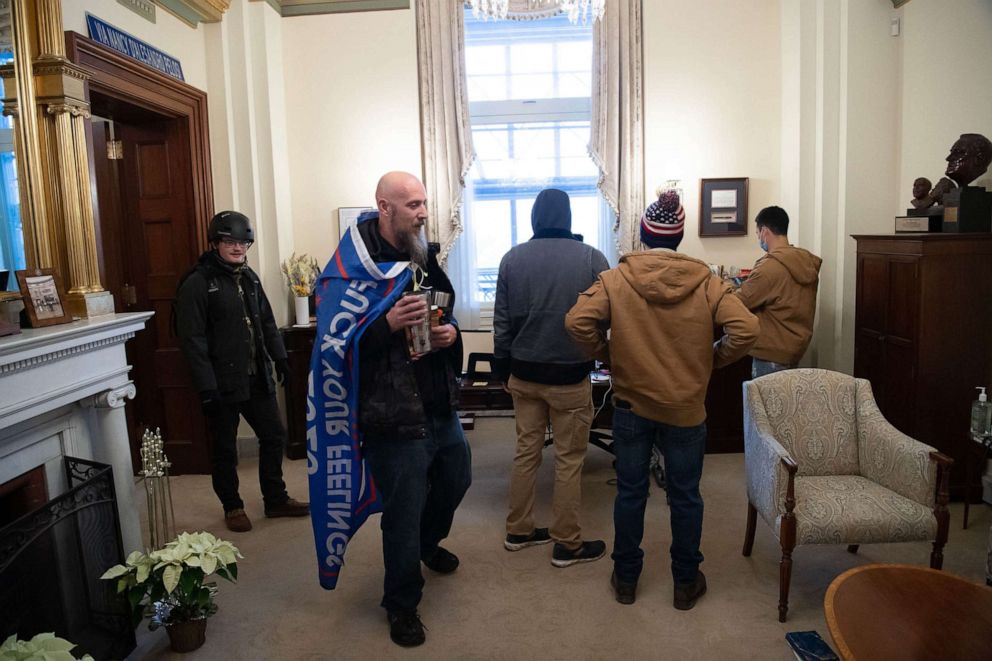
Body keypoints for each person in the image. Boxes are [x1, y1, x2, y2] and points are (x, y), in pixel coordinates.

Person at [565, 200, 758, 609]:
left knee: (631, 494)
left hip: (633, 406)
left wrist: (609, 355)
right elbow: (747, 329)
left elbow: (576, 321)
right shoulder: (706, 281)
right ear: (680, 237)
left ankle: (627, 580)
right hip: (686, 408)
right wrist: (711, 359)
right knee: (685, 496)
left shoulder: (617, 279)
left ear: (644, 233)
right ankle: (685, 582)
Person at [318, 171, 471, 648]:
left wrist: (451, 337)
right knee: (401, 511)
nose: (423, 213)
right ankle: (402, 603)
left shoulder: (424, 256)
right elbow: (331, 351)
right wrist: (383, 324)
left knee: (457, 477)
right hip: (390, 415)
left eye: (424, 203)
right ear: (384, 207)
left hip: (436, 403)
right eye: (413, 205)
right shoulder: (348, 271)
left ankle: (428, 543)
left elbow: (446, 314)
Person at [493, 188, 610, 567]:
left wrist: (501, 366)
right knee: (568, 459)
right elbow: (606, 316)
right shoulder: (592, 257)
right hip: (569, 377)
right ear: (569, 218)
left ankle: (519, 530)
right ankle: (567, 543)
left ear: (534, 219)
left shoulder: (511, 259)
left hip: (523, 375)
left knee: (526, 452)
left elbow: (501, 322)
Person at [175, 210, 309, 533]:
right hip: (222, 383)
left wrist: (280, 360)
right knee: (225, 447)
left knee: (274, 435)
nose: (237, 248)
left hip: (255, 376)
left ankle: (275, 498)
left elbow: (266, 322)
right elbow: (191, 340)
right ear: (216, 243)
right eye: (229, 241)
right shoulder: (198, 283)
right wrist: (206, 389)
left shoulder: (249, 278)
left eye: (243, 242)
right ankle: (232, 506)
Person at [735, 206, 822, 379]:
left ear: (765, 231)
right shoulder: (804, 261)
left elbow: (739, 301)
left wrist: (724, 287)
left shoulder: (770, 266)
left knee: (762, 406)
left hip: (770, 353)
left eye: (757, 233)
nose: (758, 238)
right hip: (793, 349)